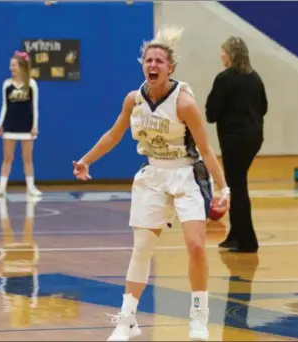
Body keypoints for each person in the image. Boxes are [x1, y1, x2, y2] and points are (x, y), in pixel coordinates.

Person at [73, 26, 230, 342]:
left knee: (196, 246)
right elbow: (114, 135)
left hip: (188, 174)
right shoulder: (133, 100)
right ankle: (127, 320)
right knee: (142, 249)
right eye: (148, 60)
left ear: (171, 67)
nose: (153, 65)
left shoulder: (184, 103)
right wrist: (87, 159)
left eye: (159, 60)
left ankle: (198, 315)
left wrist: (223, 187)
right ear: (142, 65)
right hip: (154, 174)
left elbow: (206, 148)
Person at [205, 36, 268, 253]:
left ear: (230, 54)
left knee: (237, 188)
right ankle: (235, 235)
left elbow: (211, 113)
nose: (221, 55)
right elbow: (264, 108)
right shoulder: (255, 77)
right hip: (254, 138)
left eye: (223, 51)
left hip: (234, 140)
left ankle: (248, 241)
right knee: (235, 185)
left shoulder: (224, 78)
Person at [0, 51, 42, 197]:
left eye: (13, 65)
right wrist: (0, 124)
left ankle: (31, 187)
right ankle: (1, 187)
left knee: (27, 158)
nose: (10, 68)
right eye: (10, 65)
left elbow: (35, 107)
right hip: (11, 125)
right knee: (7, 158)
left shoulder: (31, 84)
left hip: (27, 126)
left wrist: (35, 126)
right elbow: (4, 106)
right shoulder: (6, 84)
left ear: (21, 66)